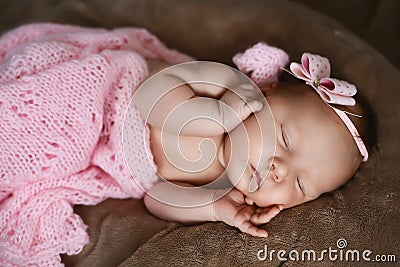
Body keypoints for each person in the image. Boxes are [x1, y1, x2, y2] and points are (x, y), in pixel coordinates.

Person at [139, 43, 373, 238]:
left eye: (300, 184)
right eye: (285, 139)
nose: (280, 171)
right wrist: (216, 115)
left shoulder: (224, 186)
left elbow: (154, 199)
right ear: (263, 92)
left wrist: (213, 206)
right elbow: (147, 92)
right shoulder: (226, 86)